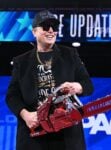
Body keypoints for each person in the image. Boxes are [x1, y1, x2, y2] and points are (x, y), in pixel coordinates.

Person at [5, 10, 93, 150]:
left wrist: (77, 87)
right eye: (45, 27)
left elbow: (87, 84)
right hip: (34, 134)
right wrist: (26, 115)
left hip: (66, 132)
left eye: (54, 27)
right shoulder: (21, 62)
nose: (51, 31)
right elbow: (12, 96)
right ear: (34, 32)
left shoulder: (70, 54)